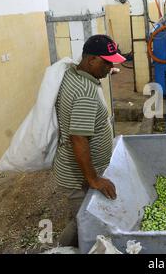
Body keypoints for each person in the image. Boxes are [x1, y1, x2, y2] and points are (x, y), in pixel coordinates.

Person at [53, 34, 126, 247]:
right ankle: (62, 249)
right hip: (79, 176)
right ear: (91, 59)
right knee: (83, 221)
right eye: (106, 62)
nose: (110, 67)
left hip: (76, 170)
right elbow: (78, 139)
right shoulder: (85, 92)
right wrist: (93, 179)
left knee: (82, 217)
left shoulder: (74, 74)